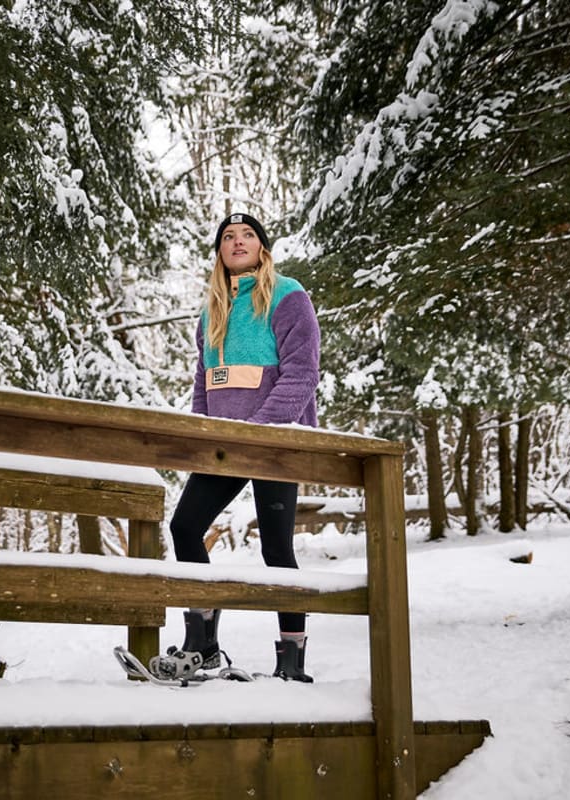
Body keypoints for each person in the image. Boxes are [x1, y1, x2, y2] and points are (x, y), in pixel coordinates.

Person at [152, 212, 321, 683]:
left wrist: (260, 431)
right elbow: (204, 384)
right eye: (228, 237)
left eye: (248, 235)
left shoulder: (289, 296)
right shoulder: (212, 311)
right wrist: (201, 436)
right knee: (185, 527)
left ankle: (291, 662)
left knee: (276, 550)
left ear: (262, 248)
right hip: (223, 445)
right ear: (220, 252)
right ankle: (203, 643)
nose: (238, 241)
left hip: (273, 443)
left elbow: (302, 374)